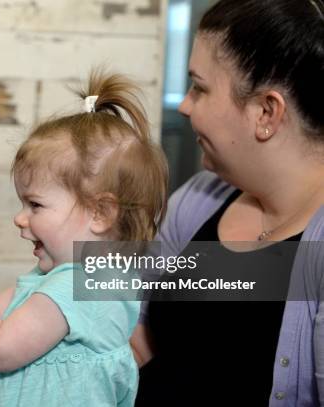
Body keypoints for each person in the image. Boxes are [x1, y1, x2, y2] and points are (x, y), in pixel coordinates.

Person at [0, 71, 169, 406]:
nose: (19, 218)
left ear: (101, 213)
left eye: (35, 204)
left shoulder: (78, 287)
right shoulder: (56, 278)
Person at [131, 0, 324, 405]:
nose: (184, 105)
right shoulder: (200, 198)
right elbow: (130, 324)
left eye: (199, 87)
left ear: (266, 112)